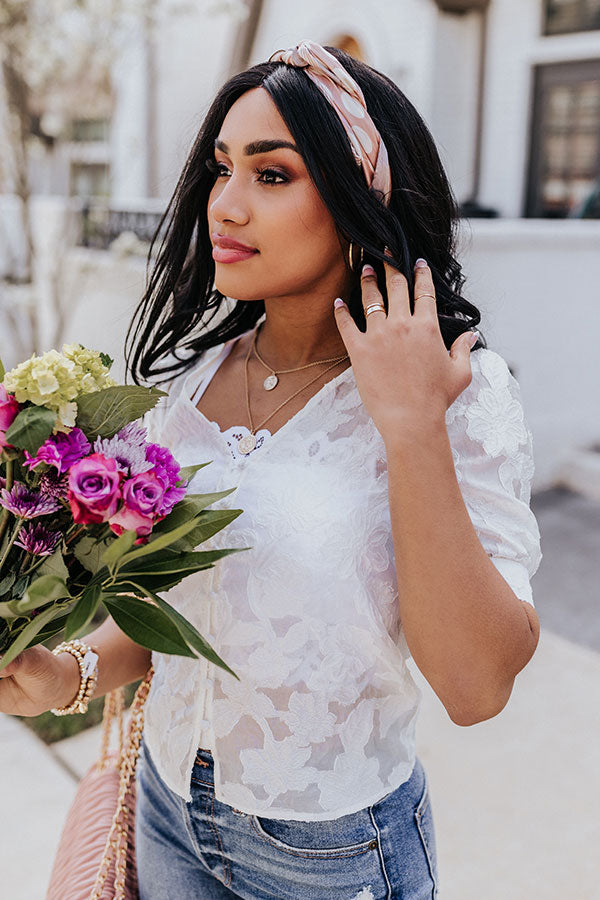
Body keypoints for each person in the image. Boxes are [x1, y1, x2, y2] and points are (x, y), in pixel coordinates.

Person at [0, 40, 542, 900]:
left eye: (273, 174)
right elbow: (176, 612)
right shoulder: (187, 382)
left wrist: (410, 428)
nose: (227, 205)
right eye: (221, 170)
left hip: (331, 856)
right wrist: (68, 675)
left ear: (363, 196)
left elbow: (476, 686)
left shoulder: (458, 392)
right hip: (168, 811)